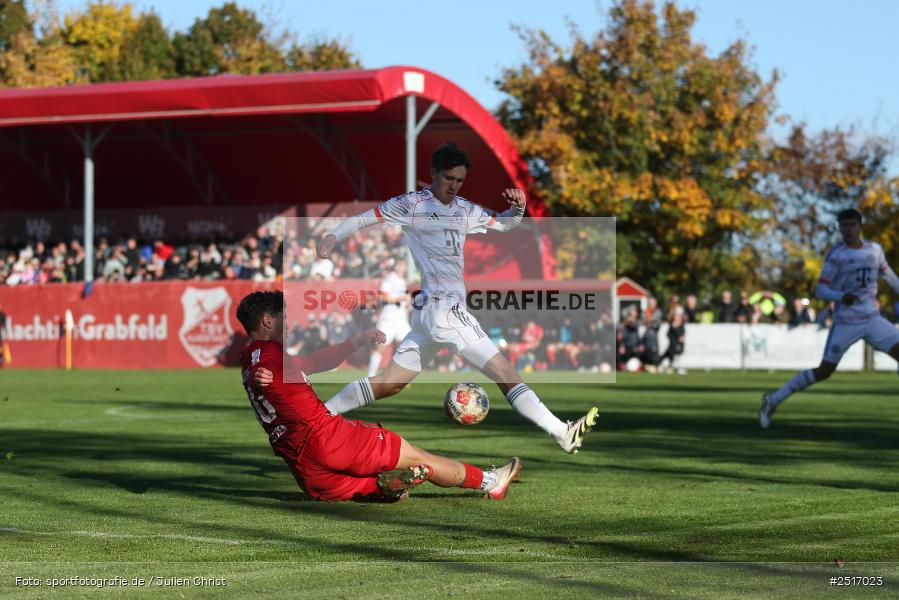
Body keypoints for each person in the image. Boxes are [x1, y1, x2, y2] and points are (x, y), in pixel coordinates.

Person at [282, 141, 598, 454]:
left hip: (430, 314)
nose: (454, 186)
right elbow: (366, 217)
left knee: (391, 382)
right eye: (449, 179)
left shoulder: (465, 209)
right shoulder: (412, 204)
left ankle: (317, 418)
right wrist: (333, 235)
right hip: (446, 310)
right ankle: (561, 431)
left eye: (460, 181)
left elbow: (505, 224)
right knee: (505, 373)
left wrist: (518, 207)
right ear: (433, 173)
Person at [238, 290, 520, 503]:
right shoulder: (270, 356)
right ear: (267, 320)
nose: (287, 325)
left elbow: (309, 363)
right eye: (283, 318)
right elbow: (267, 371)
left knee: (369, 487)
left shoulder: (248, 358)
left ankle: (385, 489)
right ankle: (491, 482)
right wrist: (266, 377)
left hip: (305, 468)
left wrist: (355, 343)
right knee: (420, 459)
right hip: (329, 439)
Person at [759, 209, 899, 428]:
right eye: (844, 226)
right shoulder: (837, 255)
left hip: (872, 319)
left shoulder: (875, 250)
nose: (848, 230)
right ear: (839, 228)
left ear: (860, 226)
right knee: (825, 371)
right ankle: (773, 399)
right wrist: (841, 296)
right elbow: (820, 290)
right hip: (846, 322)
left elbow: (888, 275)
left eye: (852, 225)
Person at [367, 259, 412, 377]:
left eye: (403, 265)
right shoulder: (389, 279)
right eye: (399, 265)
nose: (401, 268)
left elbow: (401, 300)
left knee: (407, 348)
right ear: (395, 267)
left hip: (401, 319)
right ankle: (370, 376)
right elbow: (383, 298)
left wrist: (407, 305)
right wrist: (401, 299)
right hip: (388, 319)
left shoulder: (402, 281)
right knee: (381, 348)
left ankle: (399, 377)